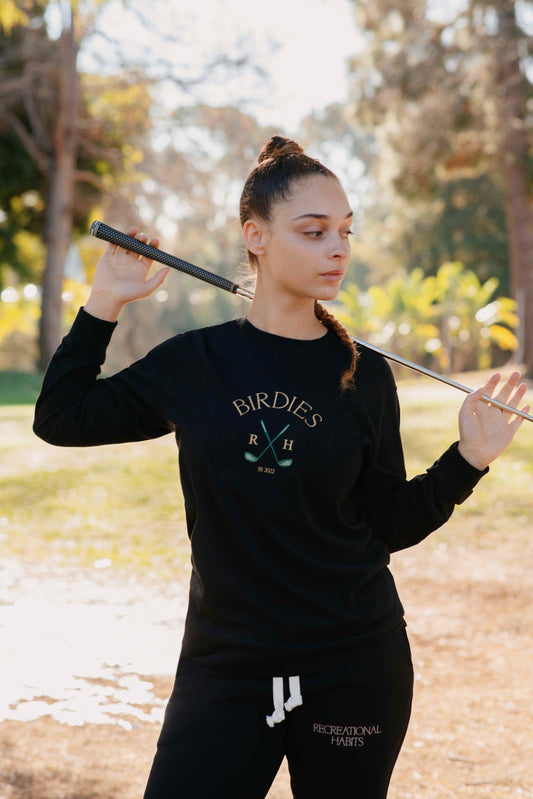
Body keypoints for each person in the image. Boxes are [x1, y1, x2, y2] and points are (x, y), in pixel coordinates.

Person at [33, 136, 529, 799]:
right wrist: (105, 305)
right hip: (226, 666)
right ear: (255, 236)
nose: (338, 248)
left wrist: (466, 460)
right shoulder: (194, 363)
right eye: (314, 230)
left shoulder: (365, 374)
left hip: (353, 663)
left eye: (345, 231)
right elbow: (61, 416)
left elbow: (383, 524)